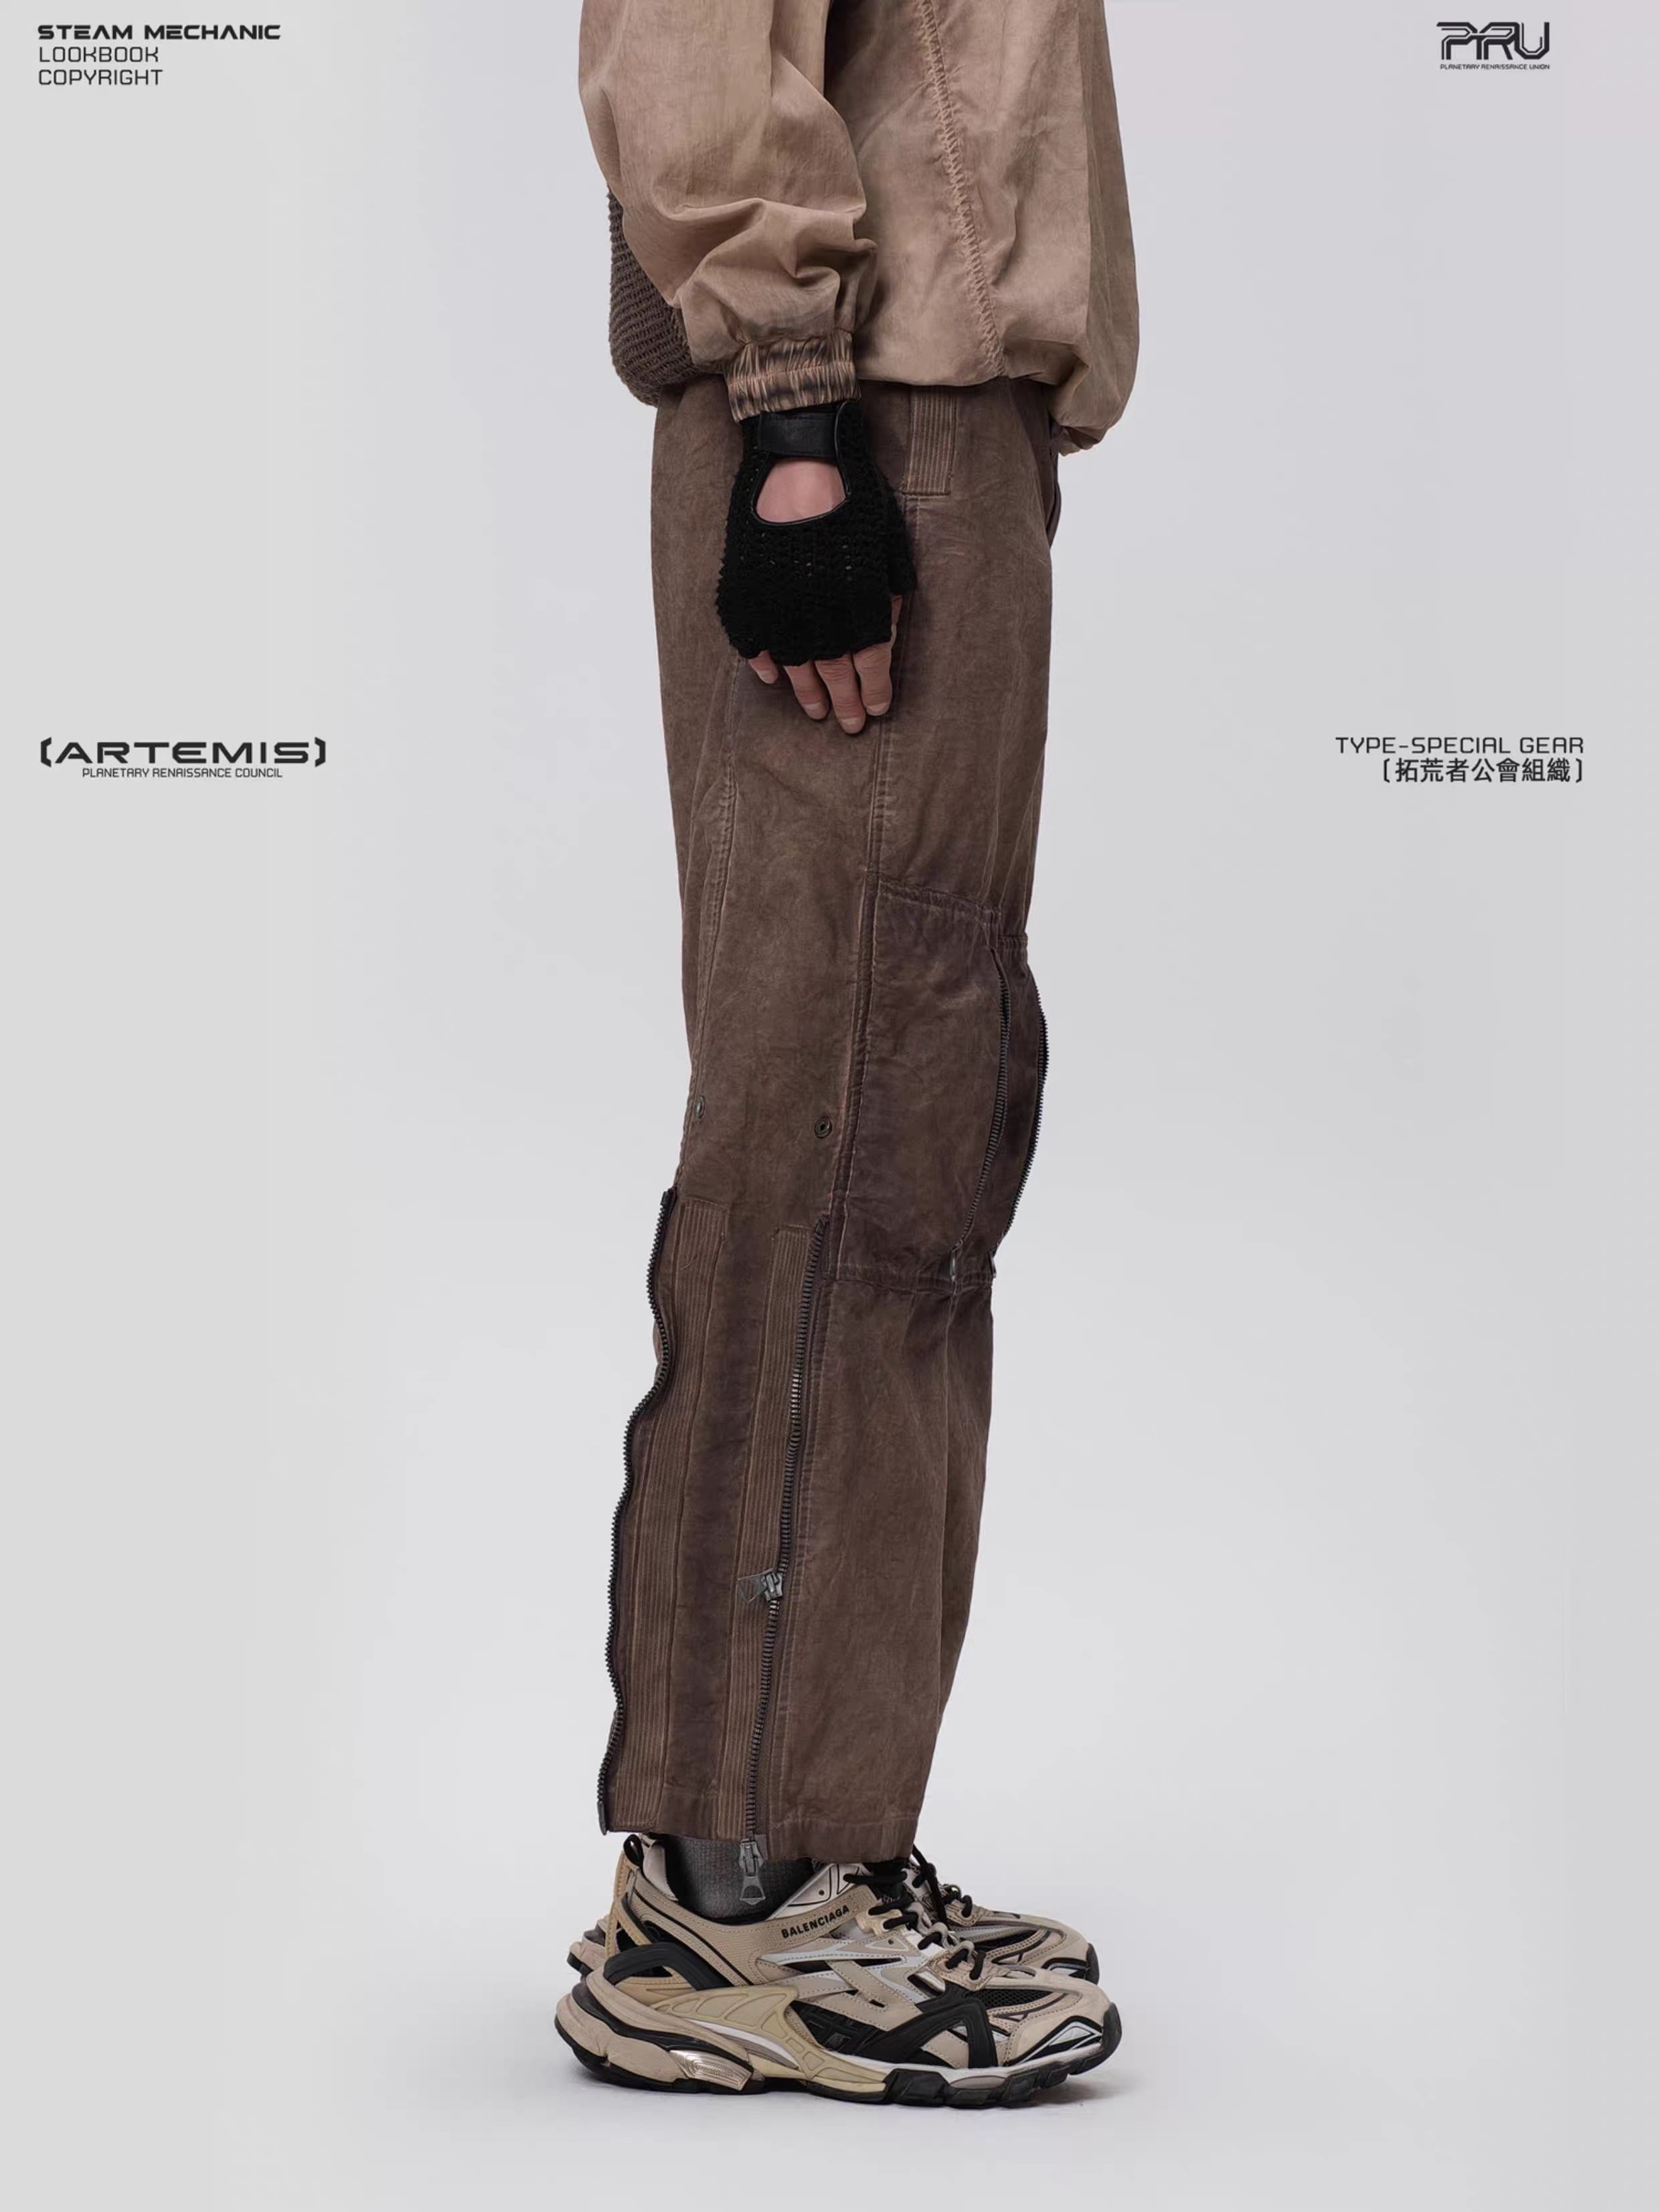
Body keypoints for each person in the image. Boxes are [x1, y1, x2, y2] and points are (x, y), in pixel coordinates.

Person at [558, 0, 1139, 2106]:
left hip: (941, 414)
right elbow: (695, 40)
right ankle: (736, 1893)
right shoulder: (821, 413)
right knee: (833, 1124)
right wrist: (797, 422)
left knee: (917, 1131)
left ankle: (821, 1840)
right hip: (857, 419)